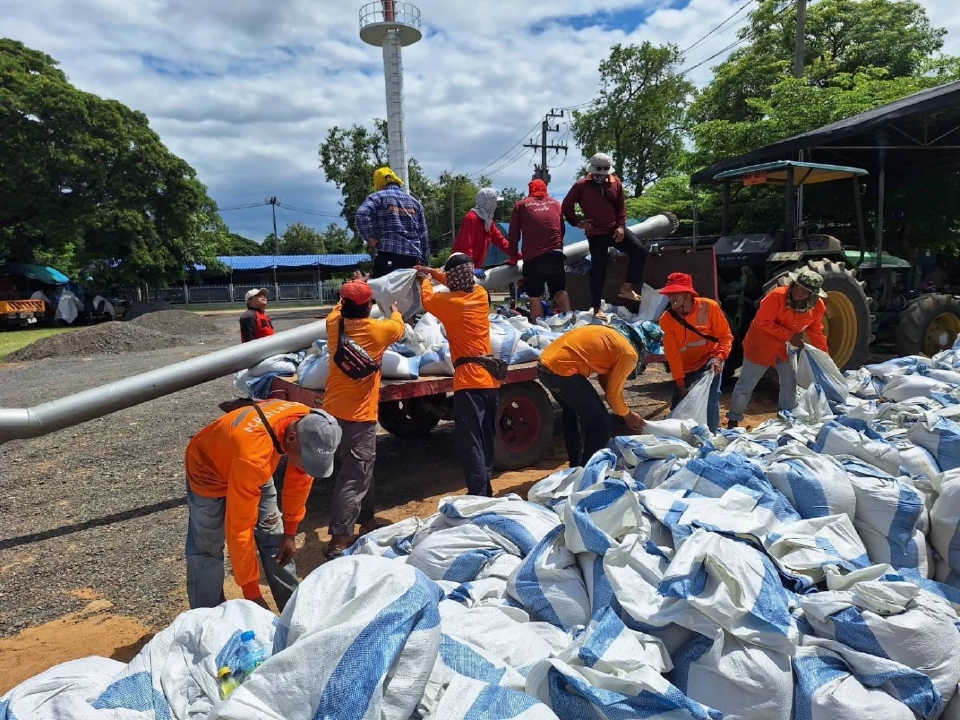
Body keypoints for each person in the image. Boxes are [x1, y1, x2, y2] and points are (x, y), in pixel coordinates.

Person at [184, 399, 341, 611]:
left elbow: (299, 483)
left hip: (253, 461)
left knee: (274, 536)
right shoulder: (253, 457)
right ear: (291, 438)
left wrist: (290, 533)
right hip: (208, 470)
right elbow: (240, 528)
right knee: (207, 548)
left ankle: (294, 610)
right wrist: (252, 594)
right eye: (305, 460)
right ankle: (207, 619)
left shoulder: (309, 424)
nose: (305, 466)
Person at [323, 279, 407, 559]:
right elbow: (400, 325)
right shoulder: (379, 330)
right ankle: (338, 541)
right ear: (369, 305)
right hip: (360, 416)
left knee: (361, 469)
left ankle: (367, 521)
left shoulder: (334, 324)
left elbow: (339, 307)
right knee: (353, 475)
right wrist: (394, 309)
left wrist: (352, 288)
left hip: (333, 412)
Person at [415, 253, 500, 497]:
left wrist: (424, 279)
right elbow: (457, 280)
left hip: (469, 383)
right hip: (491, 380)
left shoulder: (450, 303)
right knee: (486, 439)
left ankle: (478, 496)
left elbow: (428, 300)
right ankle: (486, 492)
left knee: (470, 443)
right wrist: (433, 272)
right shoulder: (481, 296)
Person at [727, 269, 829, 428]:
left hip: (786, 350)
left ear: (813, 295)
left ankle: (785, 420)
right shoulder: (776, 296)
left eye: (806, 292)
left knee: (790, 384)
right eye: (799, 288)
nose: (801, 294)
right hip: (761, 346)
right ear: (794, 285)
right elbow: (762, 322)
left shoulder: (817, 306)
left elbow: (816, 330)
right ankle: (733, 420)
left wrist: (823, 356)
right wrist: (789, 335)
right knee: (746, 385)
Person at [537, 325, 645, 467]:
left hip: (544, 367)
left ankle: (576, 466)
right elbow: (612, 396)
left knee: (573, 413)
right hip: (563, 372)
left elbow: (606, 383)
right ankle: (590, 470)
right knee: (601, 422)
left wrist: (620, 404)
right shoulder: (630, 355)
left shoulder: (612, 339)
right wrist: (628, 415)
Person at [561, 153, 648, 319]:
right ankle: (596, 308)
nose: (601, 175)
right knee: (598, 269)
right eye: (598, 171)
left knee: (640, 251)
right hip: (596, 233)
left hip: (614, 230)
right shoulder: (581, 186)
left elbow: (621, 208)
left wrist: (621, 227)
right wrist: (578, 223)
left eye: (605, 171)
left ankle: (627, 288)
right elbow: (566, 206)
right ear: (592, 170)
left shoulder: (616, 183)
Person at [658, 273, 734, 433]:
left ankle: (710, 435)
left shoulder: (709, 307)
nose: (671, 297)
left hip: (711, 359)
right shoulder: (667, 319)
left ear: (688, 293)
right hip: (687, 368)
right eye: (669, 293)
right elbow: (673, 355)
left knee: (711, 396)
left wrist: (719, 358)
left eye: (675, 292)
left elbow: (725, 337)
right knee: (679, 404)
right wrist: (680, 384)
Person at [508, 179, 570, 322]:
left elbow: (513, 234)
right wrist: (557, 247)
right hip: (555, 254)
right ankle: (570, 317)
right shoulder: (555, 203)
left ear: (530, 189)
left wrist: (513, 256)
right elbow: (562, 229)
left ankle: (538, 327)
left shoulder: (521, 205)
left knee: (535, 296)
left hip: (534, 257)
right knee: (559, 290)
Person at [355, 166, 430, 278]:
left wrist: (371, 238)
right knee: (411, 295)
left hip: (387, 258)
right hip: (412, 262)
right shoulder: (415, 203)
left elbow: (361, 214)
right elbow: (423, 236)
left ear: (379, 182)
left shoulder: (376, 198)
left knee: (383, 294)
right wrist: (425, 264)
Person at [453, 188, 519, 270]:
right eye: (495, 202)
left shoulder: (487, 221)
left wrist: (517, 254)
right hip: (461, 266)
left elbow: (500, 240)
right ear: (488, 203)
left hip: (473, 265)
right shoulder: (472, 218)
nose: (496, 205)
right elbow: (467, 246)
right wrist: (470, 266)